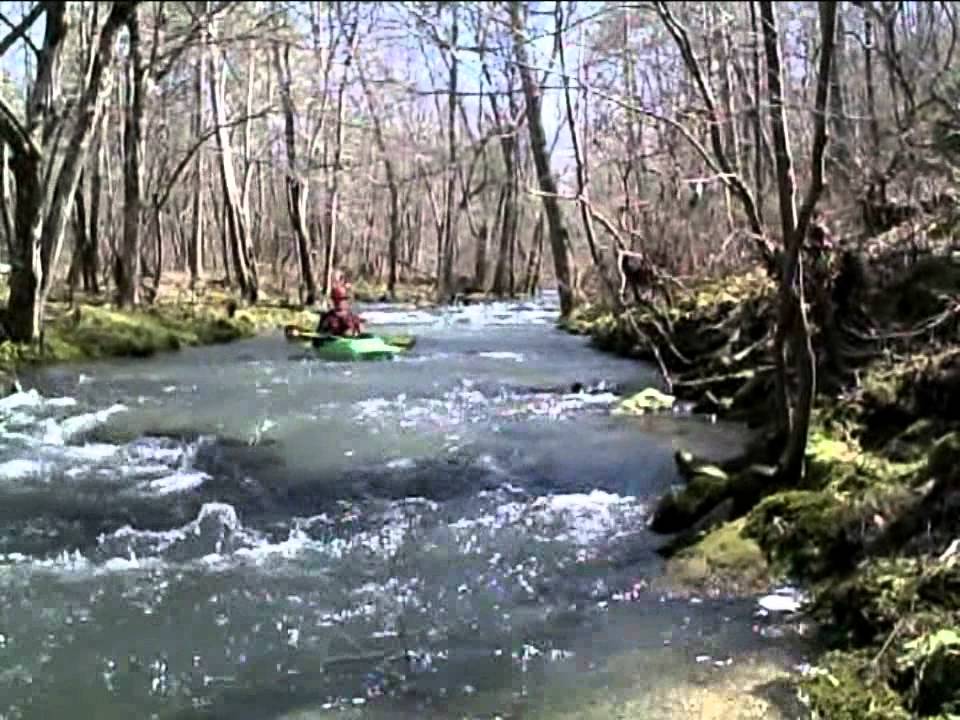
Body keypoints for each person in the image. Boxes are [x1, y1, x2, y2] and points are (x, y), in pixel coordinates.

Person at [317, 270, 365, 337]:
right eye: (338, 300)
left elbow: (361, 330)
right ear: (333, 300)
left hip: (350, 338)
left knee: (357, 325)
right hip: (334, 340)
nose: (341, 302)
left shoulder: (352, 317)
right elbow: (319, 334)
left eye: (344, 299)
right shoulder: (327, 317)